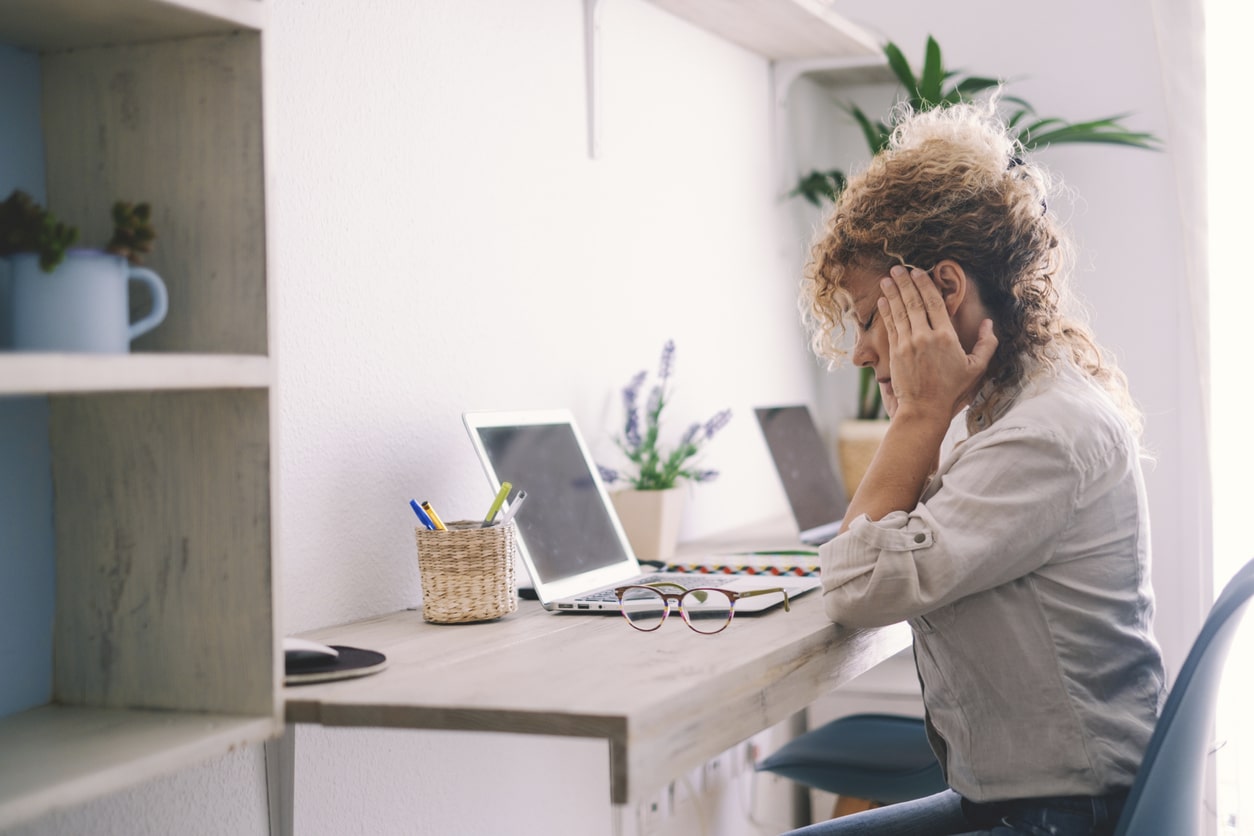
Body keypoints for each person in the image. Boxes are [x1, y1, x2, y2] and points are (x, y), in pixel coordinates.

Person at [785, 99, 1166, 836]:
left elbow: (860, 585)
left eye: (869, 318)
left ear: (947, 291)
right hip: (1035, 802)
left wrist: (918, 415)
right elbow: (883, 546)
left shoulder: (1043, 434)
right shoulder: (1011, 410)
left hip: (1057, 818)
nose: (861, 352)